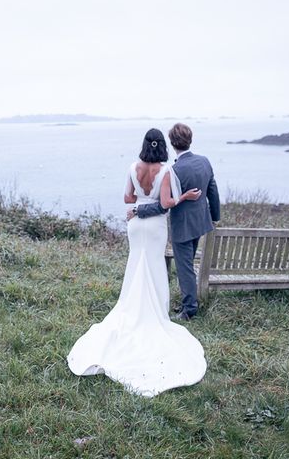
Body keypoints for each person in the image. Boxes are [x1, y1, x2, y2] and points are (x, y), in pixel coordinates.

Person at [67, 128, 207, 397]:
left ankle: (131, 308)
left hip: (135, 225)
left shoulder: (133, 167)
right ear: (162, 147)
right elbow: (166, 203)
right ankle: (154, 312)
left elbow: (127, 199)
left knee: (136, 265)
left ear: (144, 145)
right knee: (153, 267)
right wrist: (184, 198)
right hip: (154, 226)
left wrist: (141, 201)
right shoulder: (165, 171)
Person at [129, 123, 220, 320]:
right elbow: (212, 189)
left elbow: (163, 206)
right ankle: (190, 301)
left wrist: (138, 209)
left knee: (185, 267)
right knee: (188, 262)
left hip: (182, 226)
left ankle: (189, 309)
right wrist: (215, 217)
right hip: (201, 223)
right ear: (190, 140)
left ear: (172, 143)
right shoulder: (204, 161)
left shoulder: (173, 170)